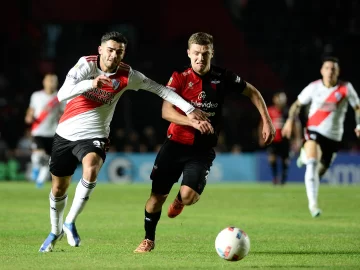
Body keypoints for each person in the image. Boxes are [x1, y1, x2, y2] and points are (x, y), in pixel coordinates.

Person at [39, 31, 210, 253]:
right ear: (100, 49)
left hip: (95, 134)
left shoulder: (127, 75)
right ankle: (55, 230)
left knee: (91, 169)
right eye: (110, 50)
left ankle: (70, 222)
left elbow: (159, 88)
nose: (113, 55)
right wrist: (91, 83)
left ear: (123, 54)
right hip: (66, 133)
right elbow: (62, 94)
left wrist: (188, 109)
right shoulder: (85, 65)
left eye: (119, 51)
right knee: (58, 187)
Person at [134, 32, 275, 253]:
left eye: (205, 53)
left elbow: (253, 92)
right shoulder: (179, 78)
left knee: (189, 196)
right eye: (196, 53)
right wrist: (191, 121)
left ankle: (180, 200)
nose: (200, 58)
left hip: (202, 149)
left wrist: (266, 121)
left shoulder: (224, 77)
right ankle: (148, 239)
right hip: (174, 146)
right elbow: (166, 111)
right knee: (156, 198)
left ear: (211, 54)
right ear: (189, 53)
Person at [282, 56, 360, 217]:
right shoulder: (313, 87)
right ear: (321, 71)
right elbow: (297, 104)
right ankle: (313, 206)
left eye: (333, 68)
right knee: (312, 163)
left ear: (338, 72)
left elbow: (357, 108)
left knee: (318, 172)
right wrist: (289, 120)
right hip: (314, 131)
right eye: (327, 68)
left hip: (334, 137)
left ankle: (304, 156)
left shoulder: (346, 88)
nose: (330, 71)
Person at [25, 73, 64, 188]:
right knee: (38, 156)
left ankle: (40, 182)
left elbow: (63, 113)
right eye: (49, 80)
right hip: (38, 131)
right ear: (44, 82)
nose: (51, 83)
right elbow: (31, 109)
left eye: (53, 81)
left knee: (49, 160)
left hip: (53, 132)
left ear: (57, 83)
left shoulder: (60, 97)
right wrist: (29, 116)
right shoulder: (36, 95)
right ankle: (36, 167)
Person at [259, 91, 301, 185]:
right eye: (279, 98)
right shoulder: (269, 111)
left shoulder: (289, 111)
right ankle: (275, 177)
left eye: (283, 98)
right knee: (272, 159)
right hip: (273, 140)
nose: (281, 100)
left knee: (285, 160)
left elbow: (296, 125)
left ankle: (283, 179)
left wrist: (297, 139)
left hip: (285, 140)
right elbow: (261, 124)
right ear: (274, 99)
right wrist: (261, 137)